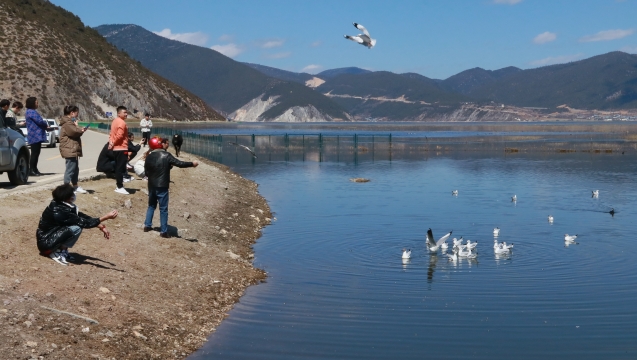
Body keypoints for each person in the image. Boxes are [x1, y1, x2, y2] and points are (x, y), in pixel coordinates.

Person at [36, 184, 118, 266]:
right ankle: (58, 252)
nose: (74, 195)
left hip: (50, 239)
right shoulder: (60, 211)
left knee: (76, 226)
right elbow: (84, 223)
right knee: (77, 227)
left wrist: (100, 226)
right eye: (72, 194)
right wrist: (106, 217)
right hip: (46, 244)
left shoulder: (61, 205)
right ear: (67, 197)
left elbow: (82, 216)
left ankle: (61, 250)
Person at [143, 137, 198, 238]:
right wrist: (192, 164)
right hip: (162, 185)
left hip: (151, 185)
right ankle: (164, 231)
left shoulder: (148, 156)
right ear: (160, 144)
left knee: (151, 206)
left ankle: (147, 225)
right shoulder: (166, 155)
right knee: (163, 209)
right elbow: (179, 163)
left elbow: (146, 172)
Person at [59, 105, 88, 194]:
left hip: (73, 149)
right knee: (70, 169)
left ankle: (75, 186)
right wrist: (80, 128)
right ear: (72, 113)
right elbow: (74, 132)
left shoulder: (70, 123)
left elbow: (76, 132)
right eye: (76, 113)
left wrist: (79, 129)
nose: (77, 115)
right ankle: (66, 188)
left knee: (75, 169)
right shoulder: (67, 123)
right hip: (69, 149)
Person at [25, 97, 50, 176]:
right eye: (36, 102)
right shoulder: (31, 112)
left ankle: (35, 169)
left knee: (37, 153)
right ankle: (31, 170)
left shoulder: (32, 112)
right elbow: (39, 121)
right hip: (34, 135)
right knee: (34, 153)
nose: (37, 104)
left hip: (36, 135)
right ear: (32, 103)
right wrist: (46, 125)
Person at [108, 106, 129, 194]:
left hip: (116, 149)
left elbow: (111, 134)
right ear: (119, 113)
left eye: (126, 112)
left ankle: (119, 185)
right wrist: (113, 143)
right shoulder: (122, 122)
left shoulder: (114, 121)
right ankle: (119, 186)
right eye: (124, 112)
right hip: (121, 148)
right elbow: (119, 136)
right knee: (120, 168)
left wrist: (111, 142)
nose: (126, 114)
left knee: (118, 167)